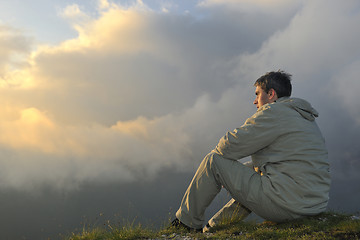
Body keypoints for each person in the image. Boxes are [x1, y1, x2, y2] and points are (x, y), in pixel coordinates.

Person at [171, 70, 331, 232]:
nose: (255, 101)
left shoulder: (273, 113)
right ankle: (213, 227)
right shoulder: (303, 117)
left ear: (271, 94)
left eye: (257, 94)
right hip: (313, 205)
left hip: (289, 206)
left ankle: (186, 223)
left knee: (213, 161)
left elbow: (227, 147)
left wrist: (227, 172)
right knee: (253, 169)